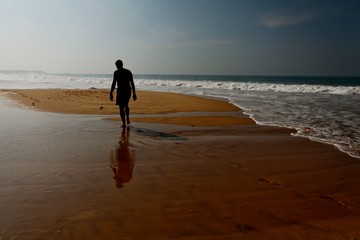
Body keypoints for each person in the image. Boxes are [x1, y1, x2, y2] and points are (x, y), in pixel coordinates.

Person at [110, 60, 137, 127]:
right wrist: (134, 93)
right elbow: (132, 83)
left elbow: (114, 83)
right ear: (122, 64)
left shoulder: (116, 72)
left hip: (121, 90)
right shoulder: (128, 71)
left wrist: (111, 93)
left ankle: (124, 123)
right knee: (126, 104)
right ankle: (127, 118)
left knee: (121, 107)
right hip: (128, 90)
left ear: (116, 65)